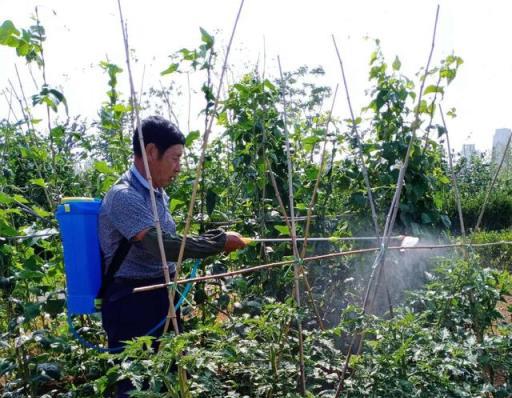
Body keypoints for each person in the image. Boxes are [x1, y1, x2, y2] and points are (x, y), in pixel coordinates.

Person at [98, 115, 246, 397]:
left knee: (167, 373)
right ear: (151, 151)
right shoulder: (124, 195)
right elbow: (162, 245)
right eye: (175, 158)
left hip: (162, 292)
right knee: (133, 381)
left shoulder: (158, 192)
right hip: (131, 300)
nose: (179, 168)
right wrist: (217, 242)